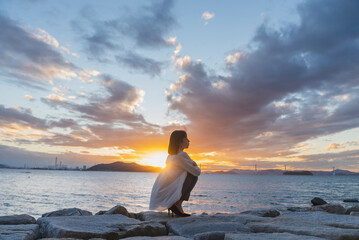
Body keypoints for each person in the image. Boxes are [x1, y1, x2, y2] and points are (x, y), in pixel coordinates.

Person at [149, 130, 201, 217]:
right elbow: (197, 172)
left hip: (162, 190)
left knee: (188, 173)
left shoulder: (170, 156)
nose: (189, 141)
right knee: (193, 176)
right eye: (186, 138)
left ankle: (175, 205)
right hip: (169, 191)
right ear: (180, 141)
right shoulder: (181, 155)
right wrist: (196, 165)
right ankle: (177, 204)